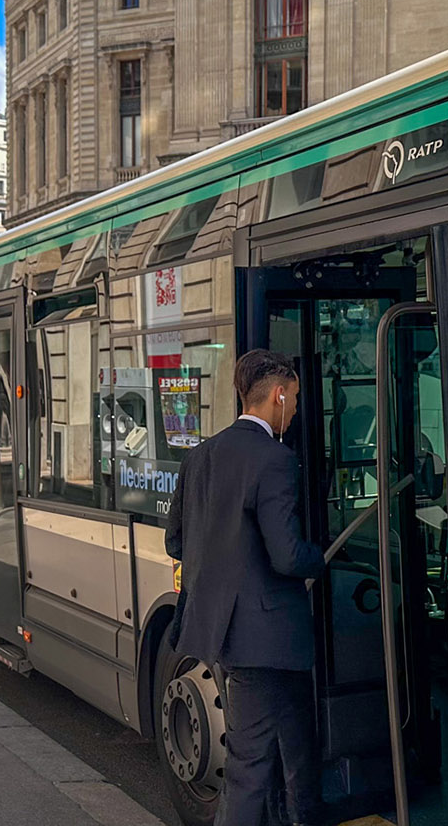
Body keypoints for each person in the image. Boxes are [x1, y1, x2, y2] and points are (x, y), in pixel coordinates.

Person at [166, 349, 326, 826]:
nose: (295, 408)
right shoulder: (275, 459)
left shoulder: (200, 456)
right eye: (294, 398)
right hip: (267, 638)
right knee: (249, 767)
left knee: (297, 736)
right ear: (277, 395)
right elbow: (287, 555)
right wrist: (318, 557)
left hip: (226, 633)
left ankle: (304, 815)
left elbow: (176, 540)